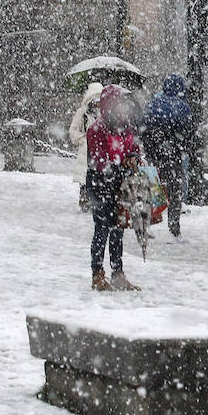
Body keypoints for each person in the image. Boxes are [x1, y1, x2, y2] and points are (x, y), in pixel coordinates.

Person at [86, 85, 142, 291]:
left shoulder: (126, 126)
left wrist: (133, 159)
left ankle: (118, 274)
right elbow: (99, 162)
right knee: (102, 230)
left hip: (120, 187)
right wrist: (121, 165)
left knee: (118, 230)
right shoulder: (96, 129)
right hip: (100, 186)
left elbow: (134, 149)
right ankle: (97, 274)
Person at [141, 74, 197, 241]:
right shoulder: (183, 107)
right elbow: (189, 134)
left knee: (153, 190)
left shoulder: (153, 104)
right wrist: (182, 148)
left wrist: (151, 149)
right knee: (175, 193)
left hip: (155, 156)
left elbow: (143, 128)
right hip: (173, 156)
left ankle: (146, 226)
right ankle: (174, 230)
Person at [69, 82, 104, 211]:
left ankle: (96, 203)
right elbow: (73, 130)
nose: (97, 103)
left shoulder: (106, 113)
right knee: (84, 179)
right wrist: (83, 139)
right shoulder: (82, 113)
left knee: (98, 178)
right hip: (86, 150)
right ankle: (85, 202)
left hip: (100, 150)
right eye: (95, 99)